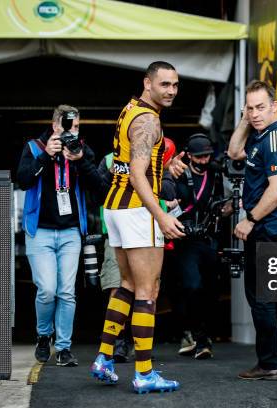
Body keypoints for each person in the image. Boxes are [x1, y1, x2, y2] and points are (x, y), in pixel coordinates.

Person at [90, 61, 187, 394]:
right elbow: (137, 173)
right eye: (164, 84)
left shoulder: (130, 109)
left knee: (127, 286)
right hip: (137, 210)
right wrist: (161, 215)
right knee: (148, 292)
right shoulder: (149, 120)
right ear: (148, 83)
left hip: (115, 209)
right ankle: (144, 373)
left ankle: (104, 359)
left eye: (175, 85)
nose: (171, 90)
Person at [227, 80, 277, 381]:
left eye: (261, 107)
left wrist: (251, 220)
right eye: (250, 108)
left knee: (261, 296)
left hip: (273, 226)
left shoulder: (274, 140)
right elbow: (234, 152)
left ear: (275, 107)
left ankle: (269, 363)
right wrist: (246, 119)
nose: (255, 113)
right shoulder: (260, 136)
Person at [17, 104, 100, 367]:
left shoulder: (80, 150)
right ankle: (44, 336)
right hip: (39, 231)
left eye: (76, 127)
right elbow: (23, 181)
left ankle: (64, 348)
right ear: (55, 126)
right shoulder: (34, 148)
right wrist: (45, 156)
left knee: (67, 292)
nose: (72, 132)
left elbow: (98, 187)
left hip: (71, 231)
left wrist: (80, 161)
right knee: (47, 290)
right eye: (68, 127)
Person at [170, 133, 231, 360]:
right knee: (191, 285)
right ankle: (197, 335)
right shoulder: (177, 174)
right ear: (188, 155)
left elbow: (224, 208)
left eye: (207, 156)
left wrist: (231, 206)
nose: (204, 161)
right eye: (199, 157)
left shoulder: (215, 173)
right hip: (185, 240)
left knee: (211, 291)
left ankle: (202, 336)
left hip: (209, 238)